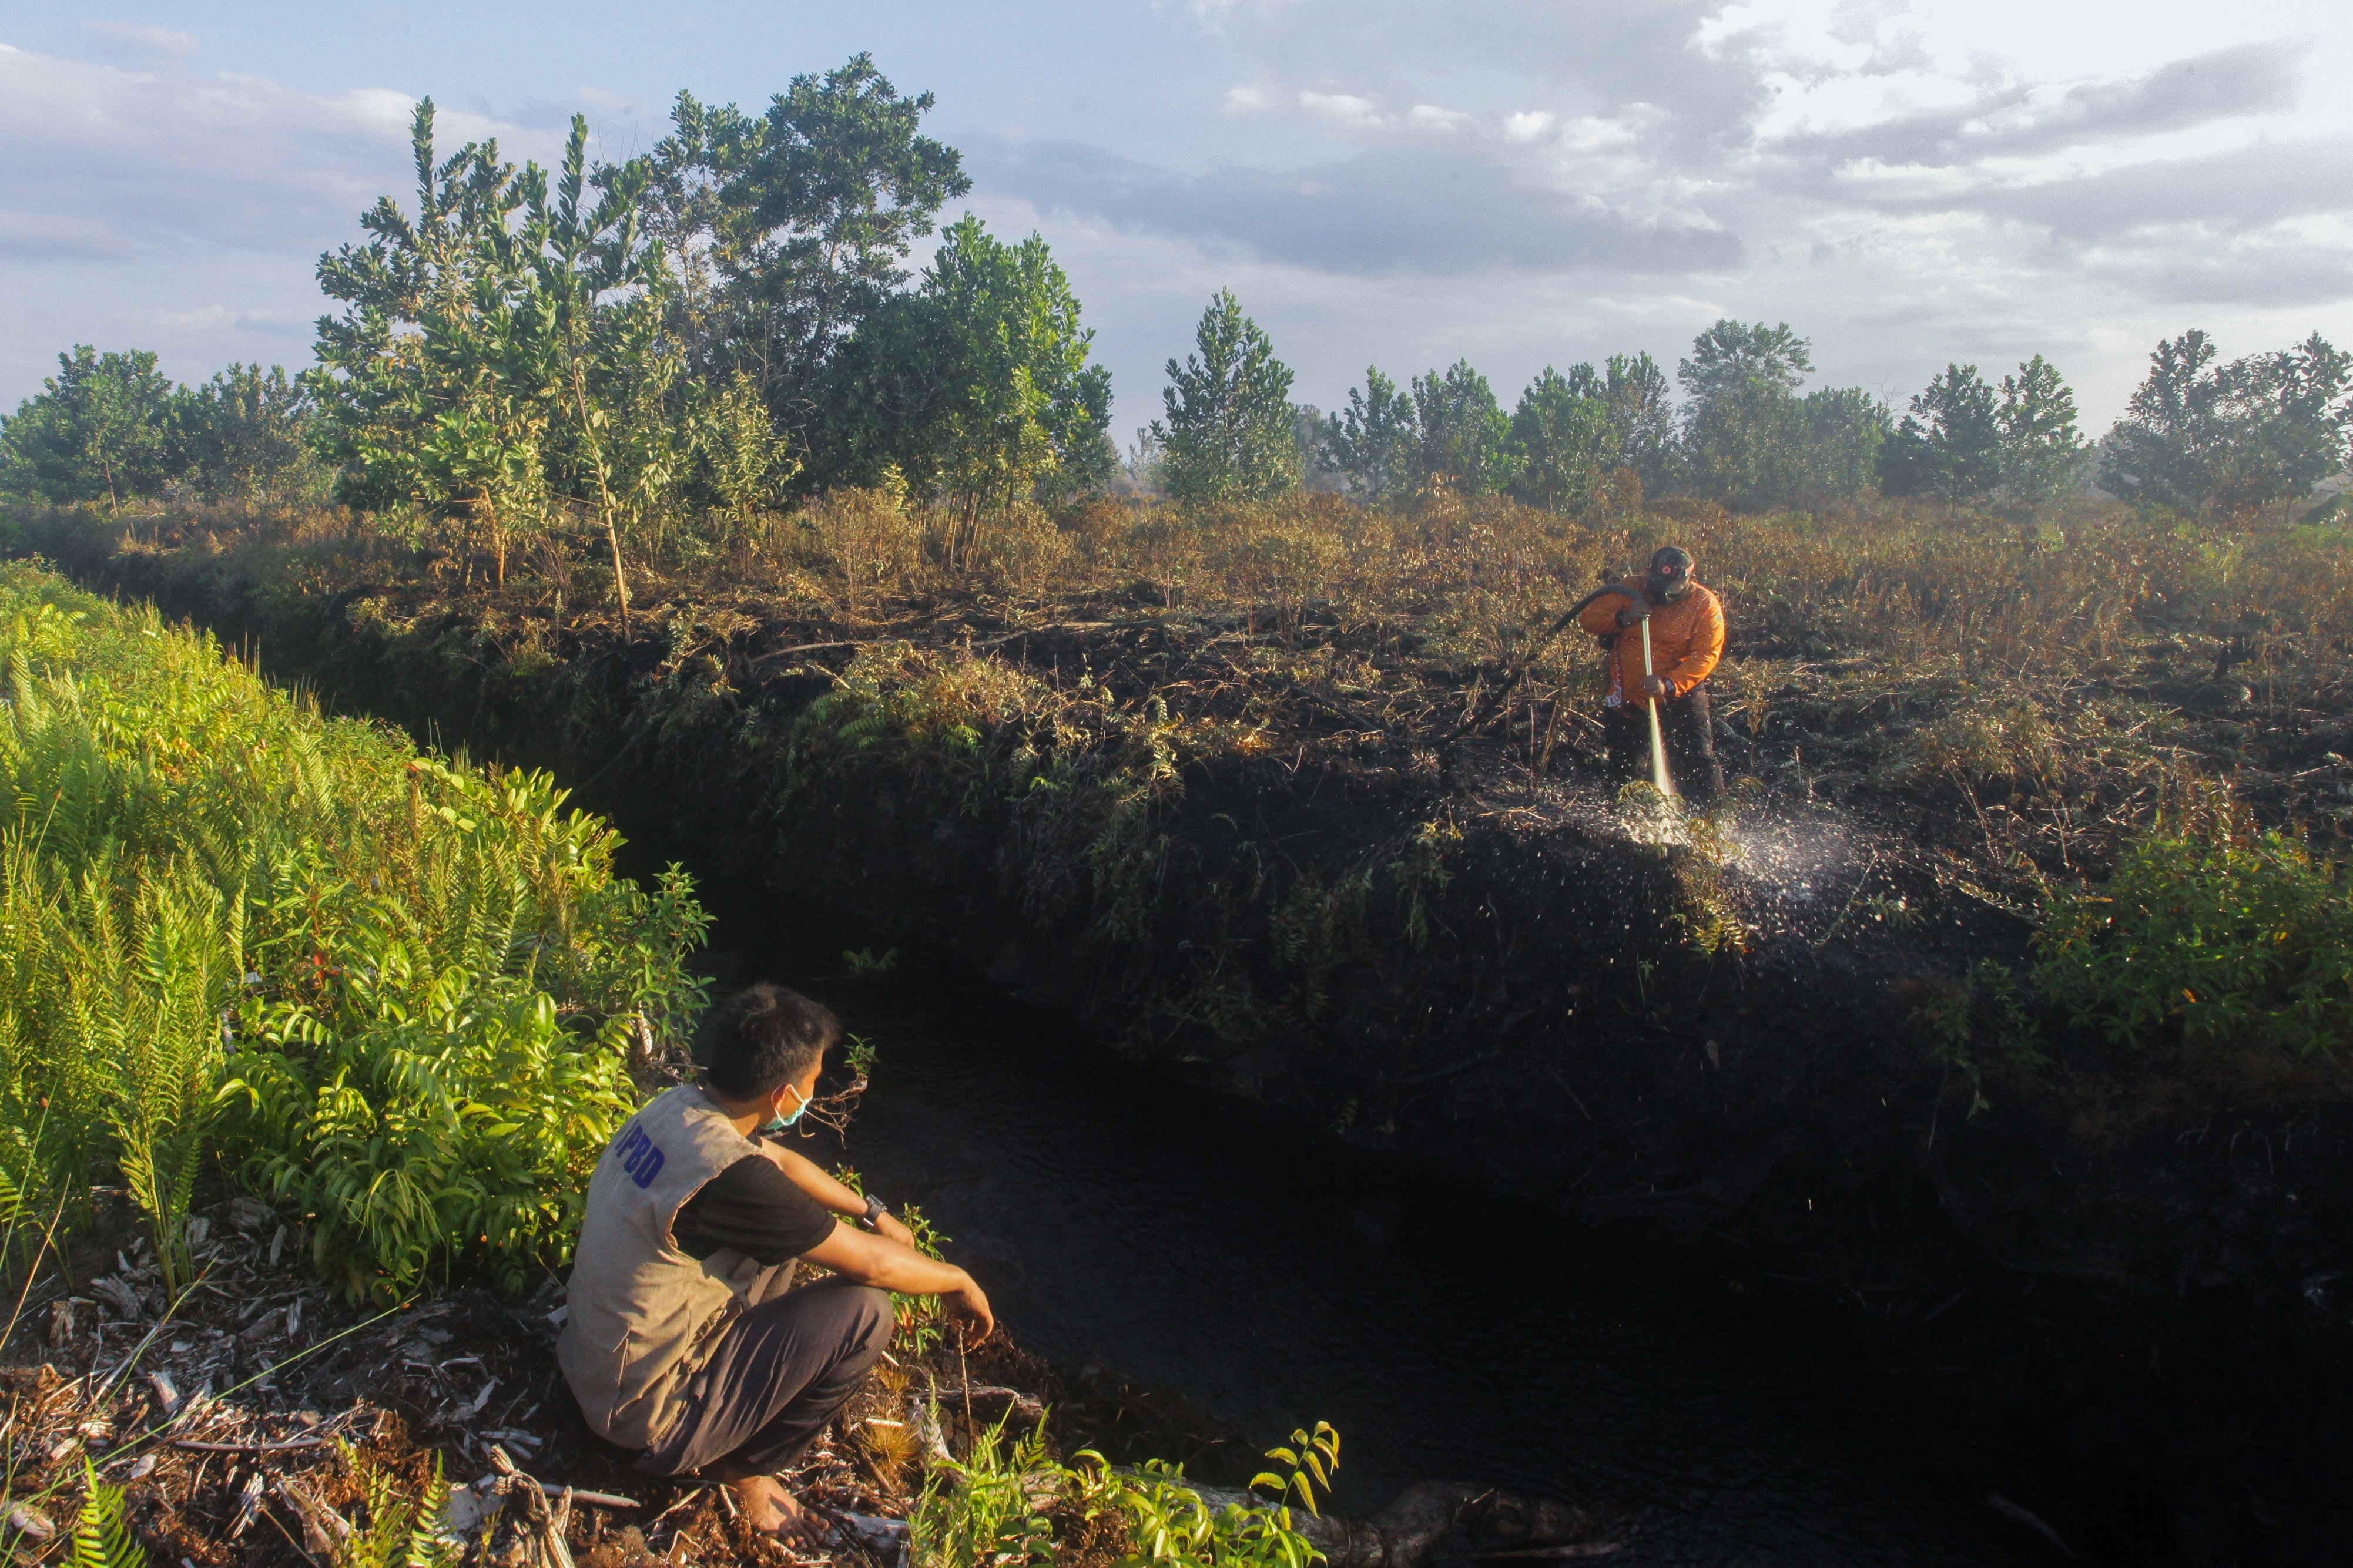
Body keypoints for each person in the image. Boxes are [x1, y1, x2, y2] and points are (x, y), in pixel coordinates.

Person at [559, 983, 993, 1543]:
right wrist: (957, 1278)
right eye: (813, 1084)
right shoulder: (731, 1178)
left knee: (792, 1232)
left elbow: (780, 1162)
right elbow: (873, 1268)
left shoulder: (682, 1108)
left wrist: (873, 1210)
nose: (814, 1092)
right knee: (867, 1311)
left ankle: (726, 1407)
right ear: (785, 1095)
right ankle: (745, 1471)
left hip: (594, 1367)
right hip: (642, 1420)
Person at [1576, 545, 1725, 801]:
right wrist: (1624, 618)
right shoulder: (1630, 589)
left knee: (1696, 761)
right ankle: (1625, 822)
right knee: (1624, 764)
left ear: (1688, 577)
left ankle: (1710, 823)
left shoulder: (1704, 605)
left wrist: (1669, 684)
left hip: (1679, 694)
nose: (1663, 595)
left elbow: (1706, 655)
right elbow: (1588, 618)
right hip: (1629, 693)